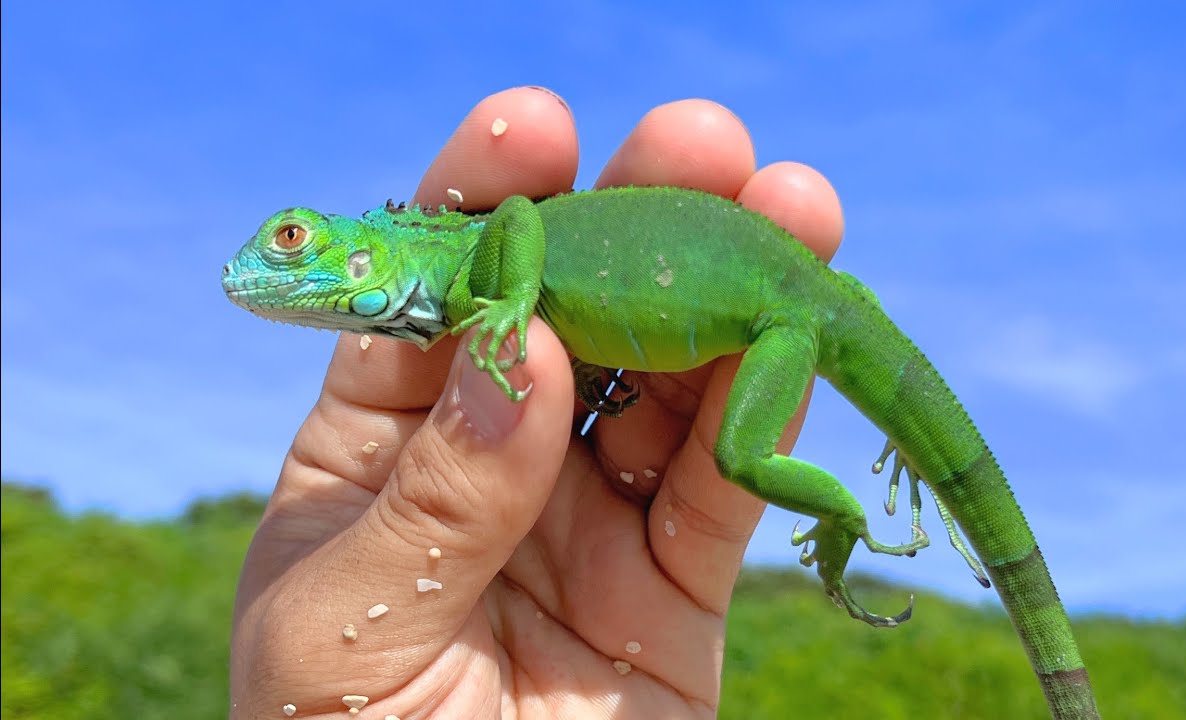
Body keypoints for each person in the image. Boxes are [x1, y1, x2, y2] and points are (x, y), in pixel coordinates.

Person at [230, 85, 848, 718]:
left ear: (361, 260)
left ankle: (845, 518)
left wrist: (519, 302)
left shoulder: (471, 264)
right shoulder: (456, 297)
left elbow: (519, 213)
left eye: (292, 242)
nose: (270, 268)